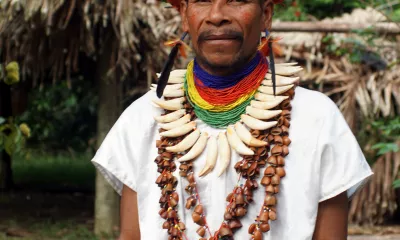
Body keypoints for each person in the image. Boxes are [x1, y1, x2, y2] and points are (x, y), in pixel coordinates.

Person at [91, 0, 373, 239]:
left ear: (266, 14)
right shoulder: (143, 119)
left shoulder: (317, 119)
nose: (216, 15)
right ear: (184, 17)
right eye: (201, 0)